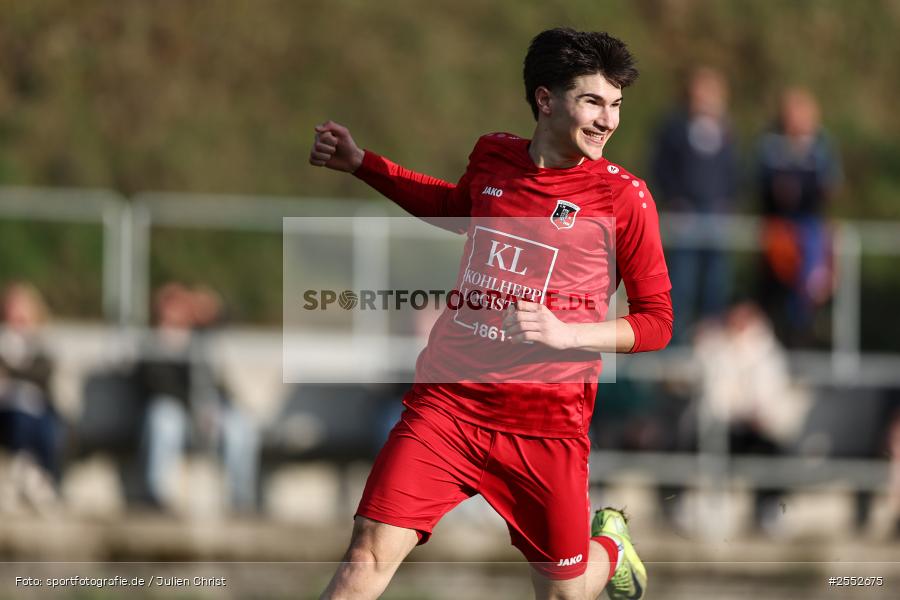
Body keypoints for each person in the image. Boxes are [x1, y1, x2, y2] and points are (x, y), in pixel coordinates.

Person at [309, 28, 672, 600]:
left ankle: (611, 548)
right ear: (545, 100)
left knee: (567, 594)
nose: (608, 121)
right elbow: (456, 206)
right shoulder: (494, 155)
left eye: (616, 105)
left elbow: (656, 322)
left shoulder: (625, 199)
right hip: (449, 405)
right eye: (593, 102)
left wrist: (567, 334)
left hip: (546, 426)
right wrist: (363, 164)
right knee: (366, 555)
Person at [135, 282, 259, 513]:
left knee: (240, 424)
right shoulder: (150, 345)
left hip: (206, 417)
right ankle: (155, 495)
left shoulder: (199, 341)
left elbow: (224, 324)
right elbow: (158, 386)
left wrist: (210, 307)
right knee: (165, 417)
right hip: (177, 421)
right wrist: (195, 406)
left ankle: (241, 500)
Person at [650, 66, 738, 342]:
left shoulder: (726, 131)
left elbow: (735, 172)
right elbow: (660, 168)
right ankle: (674, 345)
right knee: (681, 285)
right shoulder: (674, 129)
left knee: (716, 286)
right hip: (684, 218)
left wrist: (728, 202)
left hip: (716, 218)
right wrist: (674, 200)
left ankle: (711, 343)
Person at [756, 87, 841, 347]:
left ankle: (804, 318)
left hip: (810, 223)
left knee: (813, 269)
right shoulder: (771, 144)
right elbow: (763, 183)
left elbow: (830, 186)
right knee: (777, 285)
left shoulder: (822, 145)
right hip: (778, 226)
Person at [0, 282, 62, 511]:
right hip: (7, 413)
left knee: (49, 426)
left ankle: (32, 477)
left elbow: (43, 374)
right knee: (19, 416)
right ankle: (31, 478)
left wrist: (12, 372)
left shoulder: (41, 343)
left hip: (39, 412)